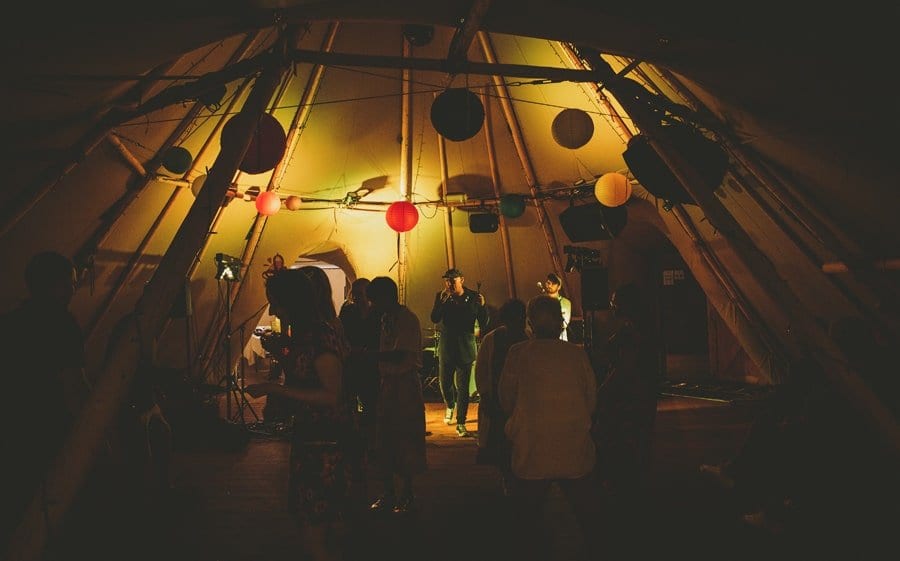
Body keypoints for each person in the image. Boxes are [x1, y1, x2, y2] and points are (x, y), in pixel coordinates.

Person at [244, 268, 365, 561]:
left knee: (315, 529)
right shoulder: (308, 335)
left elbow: (330, 394)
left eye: (276, 302)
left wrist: (276, 388)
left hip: (326, 445)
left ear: (293, 302)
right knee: (324, 527)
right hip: (315, 439)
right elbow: (308, 374)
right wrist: (284, 353)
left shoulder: (320, 336)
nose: (273, 309)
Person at [0, 251, 92, 551]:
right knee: (58, 513)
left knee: (20, 512)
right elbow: (72, 386)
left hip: (15, 430)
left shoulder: (10, 323)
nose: (73, 289)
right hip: (52, 430)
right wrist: (91, 434)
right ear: (54, 284)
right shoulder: (62, 325)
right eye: (70, 283)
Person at [498, 295, 600, 560]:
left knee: (525, 521)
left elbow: (506, 399)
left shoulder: (517, 354)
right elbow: (591, 399)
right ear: (560, 323)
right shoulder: (577, 354)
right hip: (574, 446)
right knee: (589, 519)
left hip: (531, 449)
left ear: (529, 323)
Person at [592, 281, 661, 554]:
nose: (611, 305)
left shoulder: (633, 333)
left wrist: (601, 393)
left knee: (624, 445)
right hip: (640, 398)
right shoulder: (636, 328)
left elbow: (624, 369)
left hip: (629, 400)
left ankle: (625, 509)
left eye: (615, 301)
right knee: (637, 445)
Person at [363, 276, 427, 515]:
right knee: (385, 438)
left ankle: (407, 492)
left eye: (374, 301)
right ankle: (389, 492)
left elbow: (402, 355)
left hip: (404, 384)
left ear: (385, 298)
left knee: (405, 437)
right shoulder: (387, 318)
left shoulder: (406, 320)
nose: (372, 306)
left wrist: (369, 356)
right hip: (389, 384)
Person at [474, 298, 528, 495]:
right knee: (502, 441)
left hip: (519, 401)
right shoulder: (493, 339)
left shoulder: (526, 339)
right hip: (500, 399)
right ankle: (509, 476)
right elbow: (482, 369)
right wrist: (486, 394)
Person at [430, 268, 488, 437]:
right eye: (447, 280)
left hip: (465, 348)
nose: (449, 283)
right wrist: (442, 302)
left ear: (461, 280)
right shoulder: (441, 296)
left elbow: (483, 322)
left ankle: (461, 422)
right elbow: (434, 318)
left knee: (463, 388)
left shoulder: (473, 297)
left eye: (452, 280)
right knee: (445, 383)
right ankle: (450, 404)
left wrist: (483, 307)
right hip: (447, 347)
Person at [338, 278, 382, 447]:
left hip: (371, 364)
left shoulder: (377, 313)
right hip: (352, 363)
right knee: (349, 401)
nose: (357, 298)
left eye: (360, 294)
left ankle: (369, 438)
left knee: (371, 402)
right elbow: (341, 334)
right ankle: (353, 437)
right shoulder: (348, 312)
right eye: (354, 294)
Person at [542, 272, 571, 341]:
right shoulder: (541, 302)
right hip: (545, 340)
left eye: (554, 283)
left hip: (561, 340)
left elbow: (563, 324)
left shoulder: (566, 303)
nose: (550, 285)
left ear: (559, 286)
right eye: (548, 282)